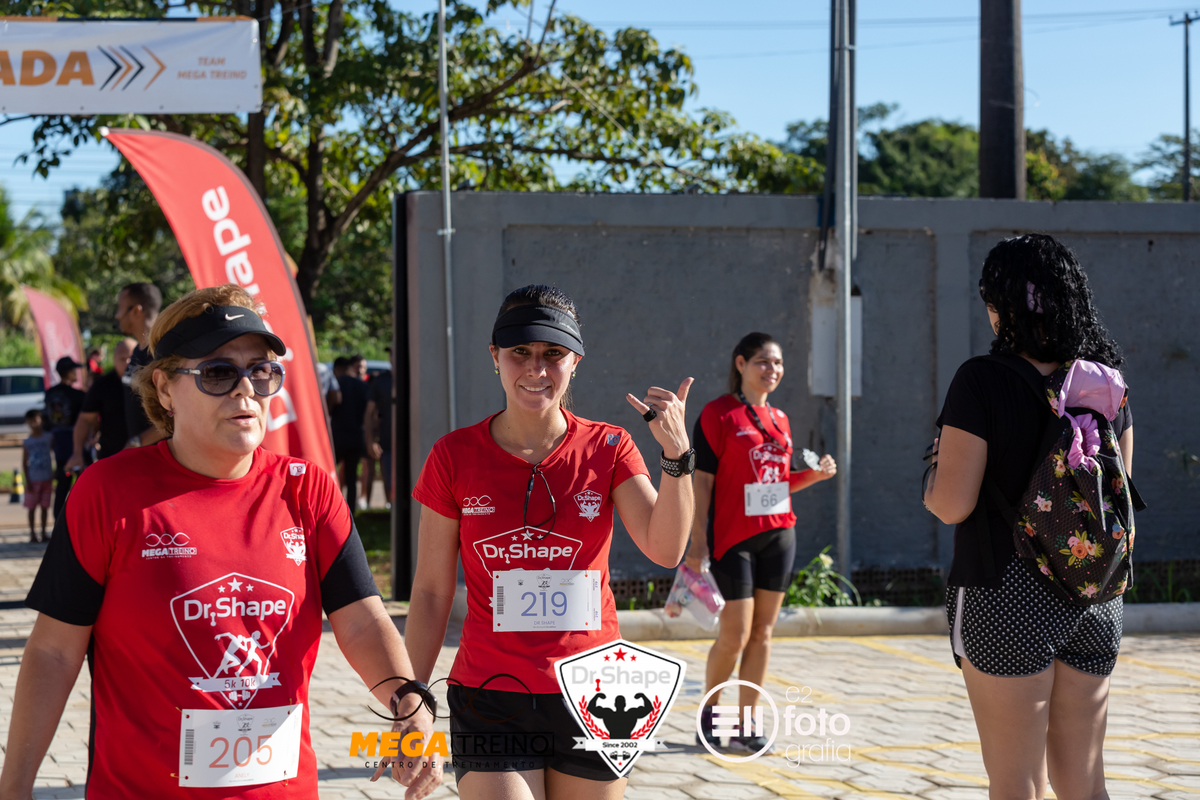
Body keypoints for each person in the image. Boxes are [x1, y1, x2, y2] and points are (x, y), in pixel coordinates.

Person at [3, 285, 442, 800]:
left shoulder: (309, 490)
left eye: (261, 371)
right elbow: (54, 653)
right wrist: (15, 788)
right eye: (217, 373)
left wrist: (410, 702)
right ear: (164, 389)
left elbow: (363, 619)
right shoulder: (107, 493)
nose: (245, 391)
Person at [406, 284, 695, 800]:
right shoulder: (454, 455)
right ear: (495, 356)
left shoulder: (609, 446)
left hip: (596, 692)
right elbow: (430, 592)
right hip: (490, 692)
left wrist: (677, 457)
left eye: (553, 354)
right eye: (521, 352)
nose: (536, 369)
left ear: (575, 362)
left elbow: (665, 549)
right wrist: (412, 698)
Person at [923, 234, 1132, 800]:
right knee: (1085, 782)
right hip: (1094, 596)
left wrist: (934, 470)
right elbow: (1116, 498)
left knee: (1016, 783)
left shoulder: (982, 379)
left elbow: (951, 504)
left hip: (1006, 591)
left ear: (1004, 305)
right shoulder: (1104, 381)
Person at [686, 332, 837, 752]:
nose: (772, 370)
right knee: (734, 635)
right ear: (741, 364)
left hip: (779, 535)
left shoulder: (782, 419)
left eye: (778, 364)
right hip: (733, 539)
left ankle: (748, 722)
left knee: (763, 635)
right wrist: (697, 542)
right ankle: (709, 718)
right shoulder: (717, 414)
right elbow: (703, 482)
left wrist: (814, 475)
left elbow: (776, 484)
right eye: (763, 362)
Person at [66, 337, 136, 471]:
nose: (128, 363)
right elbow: (85, 420)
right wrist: (77, 453)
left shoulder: (151, 382)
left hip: (147, 457)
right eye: (122, 358)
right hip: (112, 458)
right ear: (114, 359)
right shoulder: (102, 385)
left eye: (132, 358)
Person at [115, 281, 165, 450]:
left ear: (136, 310)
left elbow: (180, 412)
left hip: (162, 460)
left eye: (120, 309)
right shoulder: (138, 349)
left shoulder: (163, 351)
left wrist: (138, 442)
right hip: (144, 457)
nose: (117, 316)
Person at [43, 356, 86, 518]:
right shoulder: (79, 395)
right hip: (77, 443)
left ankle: (58, 521)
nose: (76, 373)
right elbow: (86, 420)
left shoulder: (49, 394)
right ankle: (81, 518)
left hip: (59, 443)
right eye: (74, 370)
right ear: (68, 373)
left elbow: (47, 421)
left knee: (63, 483)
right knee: (83, 483)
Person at [332, 354, 369, 509]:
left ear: (337, 369)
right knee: (352, 477)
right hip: (355, 436)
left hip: (336, 436)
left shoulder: (335, 384)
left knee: (331, 472)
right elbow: (367, 411)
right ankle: (351, 511)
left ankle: (332, 507)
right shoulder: (361, 385)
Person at [364, 351, 394, 508]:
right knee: (389, 480)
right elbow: (369, 414)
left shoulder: (415, 376)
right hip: (387, 441)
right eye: (391, 354)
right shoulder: (381, 381)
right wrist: (370, 442)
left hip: (413, 443)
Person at [21, 410, 53, 544]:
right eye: (30, 421)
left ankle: (44, 532)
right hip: (33, 479)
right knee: (32, 507)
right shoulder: (27, 441)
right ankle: (33, 533)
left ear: (42, 421)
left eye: (36, 420)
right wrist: (27, 480)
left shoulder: (49, 437)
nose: (33, 424)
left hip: (47, 477)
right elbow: (24, 462)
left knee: (45, 506)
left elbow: (55, 454)